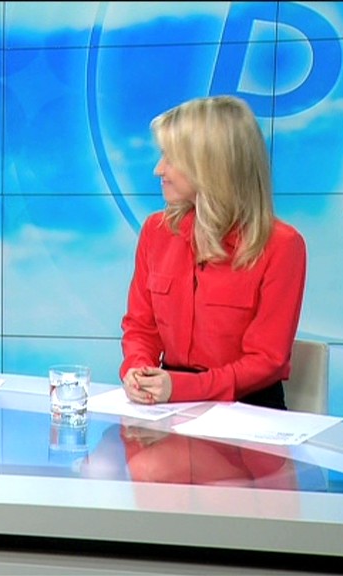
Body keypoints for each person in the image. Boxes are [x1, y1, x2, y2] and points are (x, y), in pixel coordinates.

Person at [120, 95, 307, 409]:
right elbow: (140, 327)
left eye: (171, 158)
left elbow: (266, 360)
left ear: (210, 165)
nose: (158, 169)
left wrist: (182, 388)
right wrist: (138, 371)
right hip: (166, 402)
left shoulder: (282, 245)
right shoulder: (156, 231)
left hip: (248, 409)